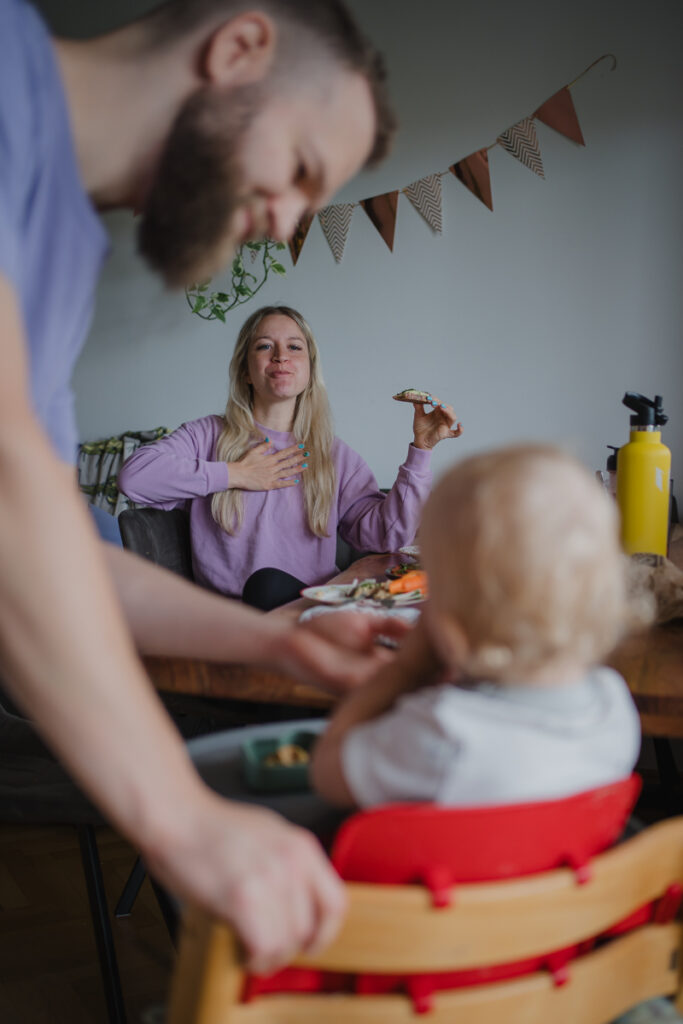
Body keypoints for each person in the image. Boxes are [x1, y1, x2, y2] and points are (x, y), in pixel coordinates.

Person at [0, 0, 399, 973]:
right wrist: (184, 822)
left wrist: (277, 643)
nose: (288, 218)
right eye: (301, 167)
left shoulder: (66, 248)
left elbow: (63, 547)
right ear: (236, 47)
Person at [311, 444, 643, 809]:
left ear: (450, 626)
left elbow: (326, 771)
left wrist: (405, 669)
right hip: (561, 865)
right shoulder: (613, 705)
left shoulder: (441, 734)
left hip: (433, 867)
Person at [118, 305, 463, 609]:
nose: (281, 356)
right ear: (244, 371)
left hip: (308, 613)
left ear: (310, 370)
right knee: (266, 587)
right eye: (265, 346)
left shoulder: (335, 456)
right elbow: (135, 478)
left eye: (294, 347)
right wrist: (236, 474)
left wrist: (421, 450)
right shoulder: (207, 435)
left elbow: (388, 536)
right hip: (230, 621)